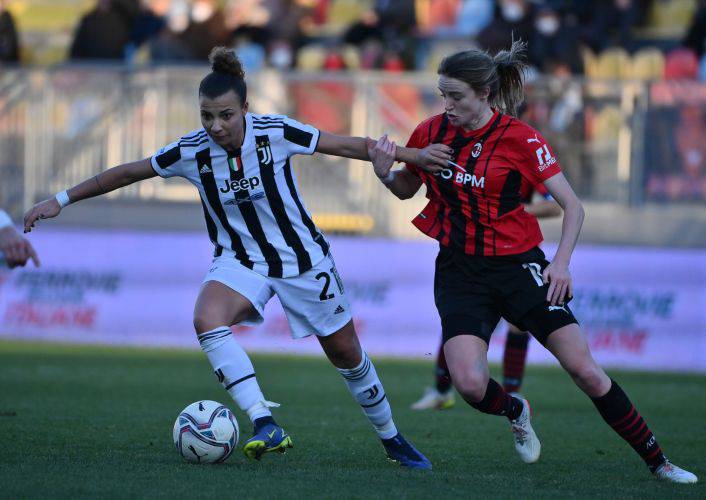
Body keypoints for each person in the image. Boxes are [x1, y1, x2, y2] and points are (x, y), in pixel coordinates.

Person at [24, 47, 449, 470]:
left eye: (226, 115)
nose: (216, 125)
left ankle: (392, 439)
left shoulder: (276, 133)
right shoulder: (191, 151)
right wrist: (60, 199)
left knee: (346, 355)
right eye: (206, 116)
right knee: (206, 319)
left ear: (245, 107)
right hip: (241, 259)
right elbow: (127, 172)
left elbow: (346, 145)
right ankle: (265, 422)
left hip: (302, 261)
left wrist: (414, 156)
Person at [367, 41, 697, 483]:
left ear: (485, 93)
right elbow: (407, 189)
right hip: (459, 271)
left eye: (456, 96)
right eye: (442, 94)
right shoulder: (430, 133)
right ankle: (515, 408)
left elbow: (573, 207)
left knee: (585, 370)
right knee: (467, 384)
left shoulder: (521, 139)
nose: (446, 106)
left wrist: (560, 265)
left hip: (519, 267)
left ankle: (660, 462)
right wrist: (385, 172)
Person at [411, 183, 561, 410]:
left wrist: (511, 211)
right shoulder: (470, 156)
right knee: (460, 321)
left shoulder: (527, 157)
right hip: (474, 252)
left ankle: (513, 396)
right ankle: (441, 392)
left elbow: (554, 207)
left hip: (517, 251)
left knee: (517, 325)